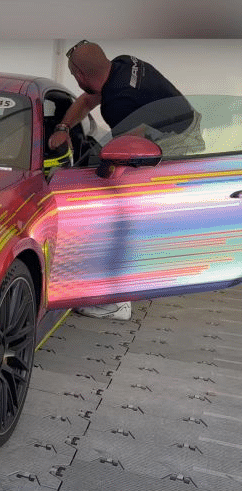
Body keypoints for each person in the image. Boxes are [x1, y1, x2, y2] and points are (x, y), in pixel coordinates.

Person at [48, 40, 200, 321]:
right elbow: (86, 99)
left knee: (123, 211)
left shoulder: (119, 102)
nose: (76, 82)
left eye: (74, 77)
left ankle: (117, 303)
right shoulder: (120, 64)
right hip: (172, 121)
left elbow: (125, 149)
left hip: (177, 140)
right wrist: (63, 127)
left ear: (80, 75)